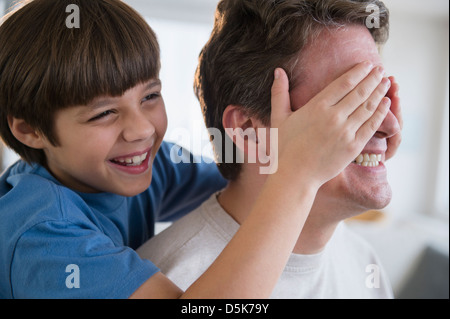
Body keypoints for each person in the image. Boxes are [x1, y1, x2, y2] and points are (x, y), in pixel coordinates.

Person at [0, 0, 392, 299]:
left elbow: (244, 174)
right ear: (29, 129)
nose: (140, 130)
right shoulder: (43, 236)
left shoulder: (150, 165)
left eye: (150, 95)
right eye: (103, 113)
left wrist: (363, 149)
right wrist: (299, 173)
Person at [138, 0, 403, 299]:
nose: (390, 125)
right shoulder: (171, 281)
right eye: (353, 100)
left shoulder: (364, 263)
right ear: (249, 132)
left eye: (382, 94)